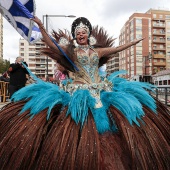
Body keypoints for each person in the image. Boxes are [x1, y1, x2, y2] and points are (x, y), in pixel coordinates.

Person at [0, 16, 169, 170]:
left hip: (102, 89)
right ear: (75, 36)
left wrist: (134, 42)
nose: (81, 35)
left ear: (88, 34)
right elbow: (51, 44)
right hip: (77, 91)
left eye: (83, 32)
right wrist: (41, 27)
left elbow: (117, 49)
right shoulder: (70, 52)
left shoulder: (97, 52)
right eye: (78, 33)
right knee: (76, 120)